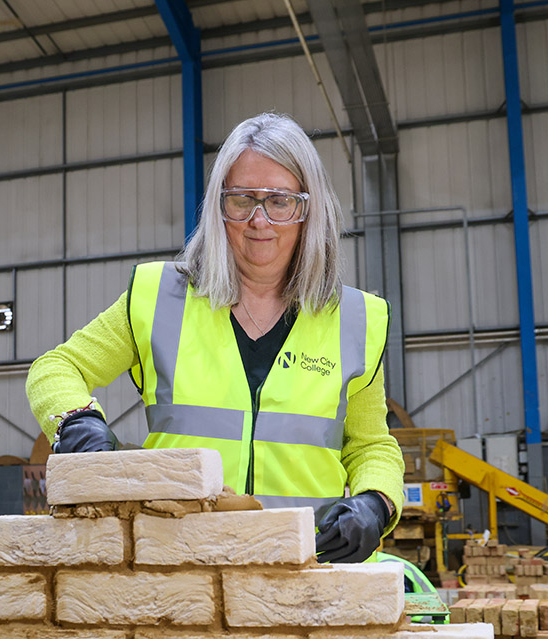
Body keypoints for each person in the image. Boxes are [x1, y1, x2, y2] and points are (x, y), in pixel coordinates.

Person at [27, 112, 404, 565]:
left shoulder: (357, 319)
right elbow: (55, 369)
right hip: (175, 569)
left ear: (309, 210)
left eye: (280, 201)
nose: (259, 220)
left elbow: (371, 444)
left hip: (302, 569)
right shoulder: (157, 297)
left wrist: (375, 502)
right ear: (217, 206)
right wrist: (77, 423)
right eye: (241, 199)